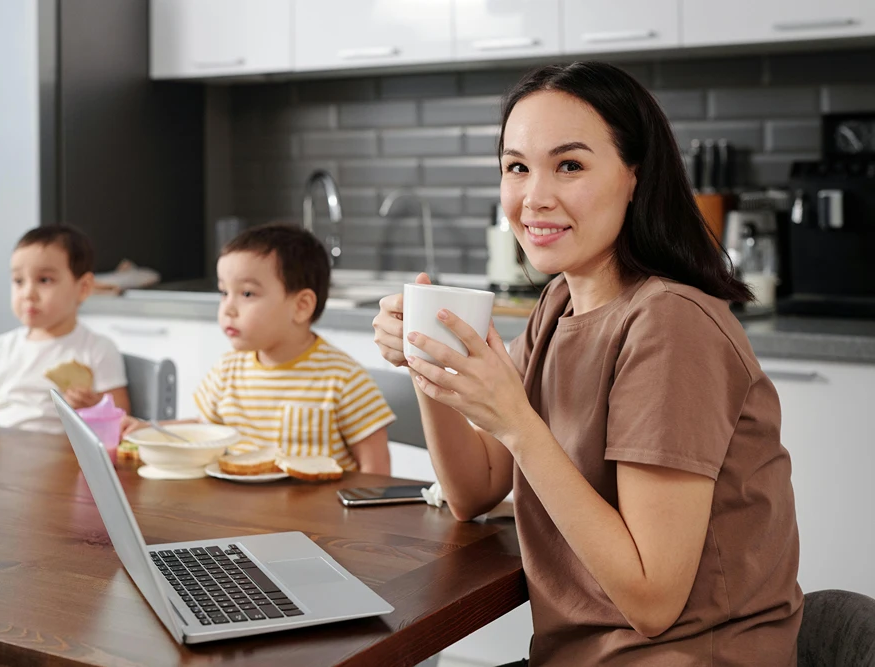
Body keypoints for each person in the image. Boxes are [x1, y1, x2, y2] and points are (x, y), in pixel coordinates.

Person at [372, 62, 802, 665]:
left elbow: (652, 600)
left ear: (636, 176)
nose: (534, 197)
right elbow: (473, 490)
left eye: (569, 165)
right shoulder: (561, 302)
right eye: (517, 167)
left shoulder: (670, 323)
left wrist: (517, 422)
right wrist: (431, 363)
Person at [124, 223, 394, 475]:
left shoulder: (344, 379)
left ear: (301, 307)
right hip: (240, 514)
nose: (228, 308)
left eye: (247, 294)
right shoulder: (227, 370)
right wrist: (148, 429)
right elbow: (205, 430)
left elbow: (376, 471)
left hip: (320, 524)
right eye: (223, 292)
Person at [0, 225, 129, 434]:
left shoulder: (97, 349)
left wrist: (95, 406)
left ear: (83, 288)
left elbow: (120, 419)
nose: (28, 293)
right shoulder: (1, 347)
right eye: (18, 281)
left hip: (62, 458)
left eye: (44, 280)